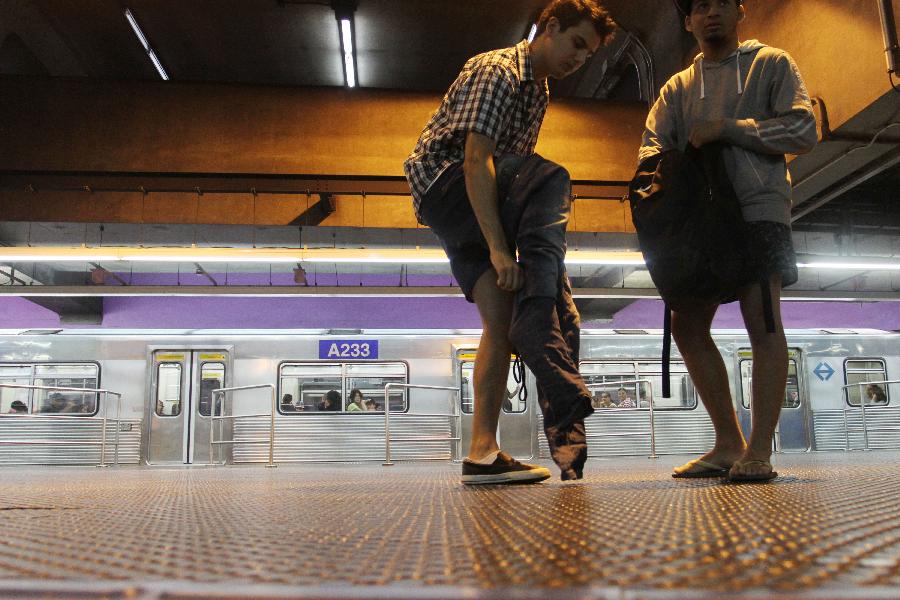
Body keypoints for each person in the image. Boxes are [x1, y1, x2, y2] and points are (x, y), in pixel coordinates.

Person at [405, 0, 616, 484]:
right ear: (551, 27)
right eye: (576, 45)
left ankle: (483, 451)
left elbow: (509, 186)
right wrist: (502, 250)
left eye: (587, 58)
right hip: (448, 185)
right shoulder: (498, 70)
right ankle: (544, 336)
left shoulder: (539, 92)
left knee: (503, 321)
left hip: (476, 211)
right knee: (551, 178)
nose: (578, 60)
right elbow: (478, 161)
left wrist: (515, 252)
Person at [640, 0, 817, 482]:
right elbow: (651, 150)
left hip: (758, 208)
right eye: (701, 7)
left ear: (740, 12)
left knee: (762, 320)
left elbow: (805, 128)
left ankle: (759, 449)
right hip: (700, 220)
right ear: (689, 22)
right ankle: (726, 443)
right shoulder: (678, 88)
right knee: (686, 324)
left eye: (721, 3)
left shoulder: (770, 64)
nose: (711, 12)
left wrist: (730, 129)